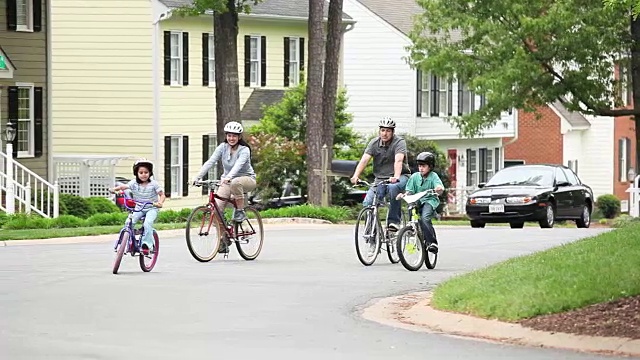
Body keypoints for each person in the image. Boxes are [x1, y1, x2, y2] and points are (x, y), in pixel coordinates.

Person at [192, 121, 256, 252]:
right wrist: (198, 176)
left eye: (234, 136)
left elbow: (238, 166)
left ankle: (240, 212)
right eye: (229, 135)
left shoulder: (244, 150)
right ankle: (224, 238)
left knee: (235, 182)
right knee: (216, 210)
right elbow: (210, 162)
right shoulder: (222, 147)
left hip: (246, 179)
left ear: (239, 137)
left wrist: (228, 177)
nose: (231, 138)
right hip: (227, 181)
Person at [350, 117, 411, 231]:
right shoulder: (374, 143)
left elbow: (398, 160)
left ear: (393, 132)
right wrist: (356, 175)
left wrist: (396, 177)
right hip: (380, 179)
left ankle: (393, 222)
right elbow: (364, 160)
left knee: (393, 188)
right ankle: (372, 234)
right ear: (379, 131)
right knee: (368, 202)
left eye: (388, 131)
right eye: (382, 130)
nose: (385, 133)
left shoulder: (399, 142)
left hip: (401, 176)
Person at [111, 158, 165, 256]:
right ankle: (124, 243)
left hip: (151, 208)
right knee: (129, 222)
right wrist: (115, 189)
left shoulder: (153, 184)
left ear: (150, 173)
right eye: (141, 172)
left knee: (147, 224)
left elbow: (162, 195)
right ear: (136, 173)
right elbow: (124, 187)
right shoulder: (133, 183)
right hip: (139, 208)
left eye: (146, 172)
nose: (143, 174)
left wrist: (160, 203)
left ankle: (146, 245)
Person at [396, 151, 444, 254]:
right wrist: (403, 195)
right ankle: (412, 229)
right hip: (417, 200)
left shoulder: (433, 176)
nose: (421, 168)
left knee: (425, 218)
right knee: (411, 209)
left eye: (424, 166)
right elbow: (409, 191)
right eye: (419, 166)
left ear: (430, 166)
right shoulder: (414, 177)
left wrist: (438, 189)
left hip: (429, 200)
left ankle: (432, 243)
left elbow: (439, 187)